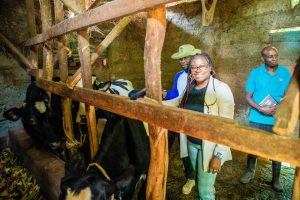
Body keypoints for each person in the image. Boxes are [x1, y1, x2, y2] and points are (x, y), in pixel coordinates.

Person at [179, 53, 234, 199]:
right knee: (199, 178)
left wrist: (219, 155)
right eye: (193, 67)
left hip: (210, 147)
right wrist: (154, 101)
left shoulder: (221, 89)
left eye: (201, 66)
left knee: (205, 192)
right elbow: (178, 104)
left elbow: (227, 126)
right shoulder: (190, 88)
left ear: (210, 68)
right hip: (192, 143)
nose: (197, 70)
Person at [240, 46, 291, 192]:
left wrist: (280, 105)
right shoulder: (255, 73)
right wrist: (261, 108)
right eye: (270, 56)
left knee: (277, 149)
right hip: (257, 117)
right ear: (262, 58)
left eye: (276, 55)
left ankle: (276, 179)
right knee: (253, 146)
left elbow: (288, 94)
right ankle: (249, 172)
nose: (274, 58)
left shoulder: (285, 72)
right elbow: (248, 96)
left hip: (277, 117)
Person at [163, 44, 201, 195]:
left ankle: (198, 178)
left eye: (186, 57)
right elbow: (177, 93)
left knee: (193, 148)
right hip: (178, 116)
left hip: (193, 117)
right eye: (181, 59)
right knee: (181, 147)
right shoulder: (179, 75)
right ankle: (190, 177)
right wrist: (167, 93)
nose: (183, 61)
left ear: (193, 57)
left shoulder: (199, 74)